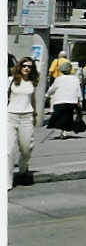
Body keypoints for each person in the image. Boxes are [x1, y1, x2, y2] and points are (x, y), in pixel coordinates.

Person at [8, 57, 39, 190]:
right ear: (19, 67)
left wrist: (35, 113)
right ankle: (6, 181)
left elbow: (32, 99)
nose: (27, 68)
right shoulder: (11, 80)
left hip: (27, 117)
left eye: (30, 67)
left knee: (27, 149)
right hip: (10, 116)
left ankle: (22, 169)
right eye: (24, 66)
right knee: (8, 151)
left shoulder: (32, 83)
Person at [45, 60, 82, 139]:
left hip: (60, 100)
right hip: (72, 101)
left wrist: (47, 94)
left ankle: (62, 131)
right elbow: (78, 90)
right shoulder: (75, 79)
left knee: (60, 116)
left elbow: (52, 89)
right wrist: (80, 99)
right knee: (68, 116)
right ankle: (64, 131)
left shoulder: (59, 79)